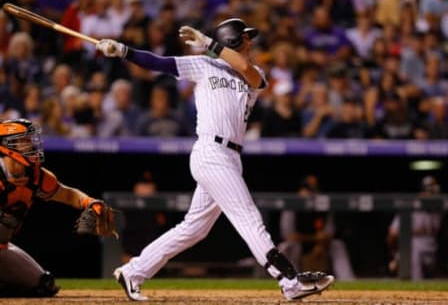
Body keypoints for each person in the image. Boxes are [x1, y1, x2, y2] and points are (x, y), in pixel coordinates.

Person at [96, 18, 334, 301]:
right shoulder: (202, 65)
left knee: (194, 229)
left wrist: (210, 44)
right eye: (246, 37)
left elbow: (248, 71)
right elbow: (158, 63)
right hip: (211, 151)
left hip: (231, 157)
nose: (251, 42)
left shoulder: (253, 72)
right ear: (233, 40)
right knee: (248, 217)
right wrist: (123, 51)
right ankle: (289, 280)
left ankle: (133, 271)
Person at [0, 118, 114, 297]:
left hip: (1, 247)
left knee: (43, 285)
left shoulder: (35, 176)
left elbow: (67, 194)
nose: (30, 145)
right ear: (6, 145)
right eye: (23, 140)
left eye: (30, 140)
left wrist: (89, 202)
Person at [386, 175, 443, 280]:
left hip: (431, 249)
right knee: (412, 253)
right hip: (413, 249)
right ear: (421, 192)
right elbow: (393, 233)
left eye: (432, 192)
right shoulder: (411, 206)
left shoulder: (438, 208)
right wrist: (394, 253)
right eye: (428, 192)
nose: (431, 195)